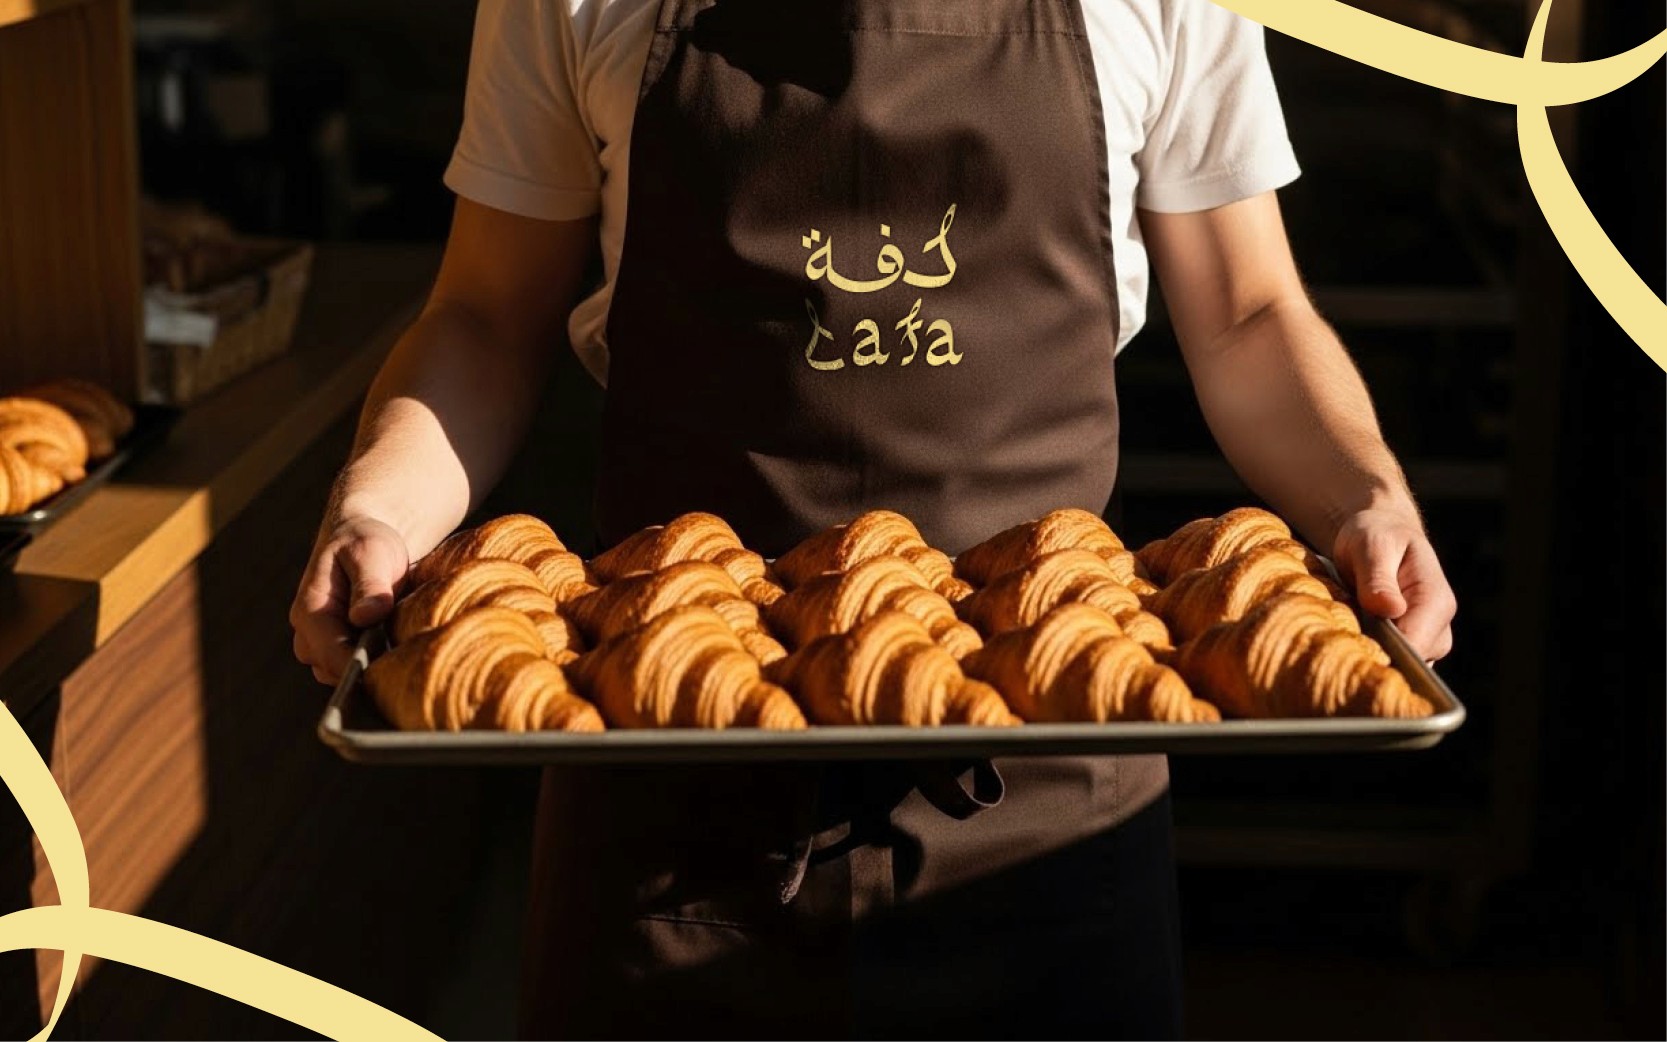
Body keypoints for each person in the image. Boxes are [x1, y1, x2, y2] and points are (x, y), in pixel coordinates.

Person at [291, 0, 1458, 1037]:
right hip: (666, 787)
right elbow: (487, 316)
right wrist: (376, 507)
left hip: (1050, 797)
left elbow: (1249, 314)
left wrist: (1367, 497)